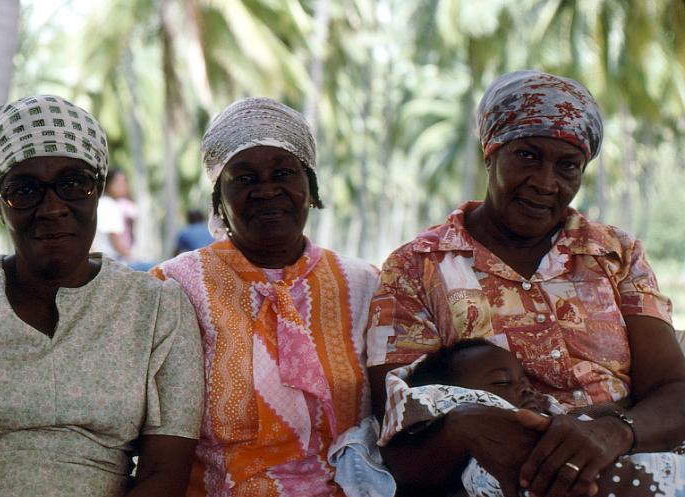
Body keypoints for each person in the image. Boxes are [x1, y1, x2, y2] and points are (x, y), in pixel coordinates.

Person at [365, 70, 685, 497]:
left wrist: (615, 432)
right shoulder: (415, 267)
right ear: (490, 152)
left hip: (640, 463)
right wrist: (469, 428)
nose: (545, 183)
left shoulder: (615, 254)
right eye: (528, 156)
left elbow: (674, 390)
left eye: (567, 165)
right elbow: (398, 434)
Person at [0, 95, 204, 497]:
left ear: (98, 191)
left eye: (74, 184)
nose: (52, 208)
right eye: (24, 190)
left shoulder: (157, 309)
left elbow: (164, 476)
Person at [153, 97, 380, 497]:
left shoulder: (362, 283)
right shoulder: (176, 286)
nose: (267, 190)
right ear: (217, 200)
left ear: (309, 187)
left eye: (283, 173)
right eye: (244, 178)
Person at [401, 338, 685, 497]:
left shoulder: (568, 421)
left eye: (526, 380)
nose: (525, 387)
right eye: (502, 383)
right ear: (455, 399)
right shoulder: (492, 463)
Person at [92, 169, 153, 271]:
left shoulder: (103, 203)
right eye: (118, 182)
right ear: (108, 184)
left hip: (105, 260)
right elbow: (117, 245)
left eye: (124, 182)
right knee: (152, 267)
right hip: (109, 261)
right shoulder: (109, 206)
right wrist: (136, 258)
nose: (123, 186)